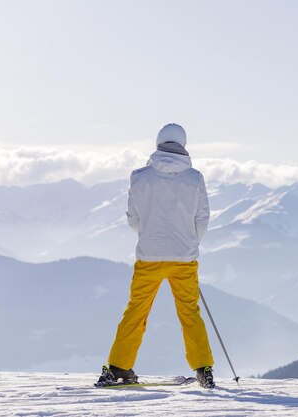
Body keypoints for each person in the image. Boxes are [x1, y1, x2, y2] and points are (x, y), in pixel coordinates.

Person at [96, 123, 215, 388]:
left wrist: (149, 236)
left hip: (148, 256)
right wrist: (189, 242)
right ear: (183, 145)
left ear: (158, 143)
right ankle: (203, 368)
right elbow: (202, 219)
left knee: (136, 311)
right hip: (184, 258)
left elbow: (133, 217)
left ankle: (118, 367)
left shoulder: (139, 177)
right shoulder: (195, 178)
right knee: (189, 313)